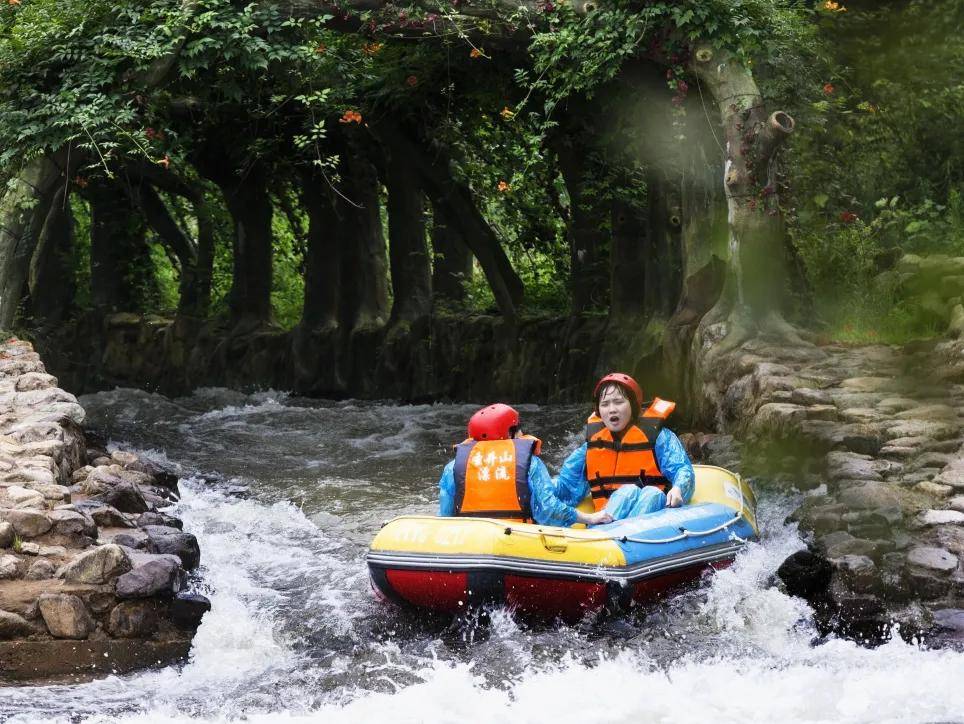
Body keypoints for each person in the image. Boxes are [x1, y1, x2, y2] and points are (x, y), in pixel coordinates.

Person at [438, 403, 612, 527]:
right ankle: (594, 444)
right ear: (511, 433)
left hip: (471, 540)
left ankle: (590, 447)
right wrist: (590, 518)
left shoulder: (452, 467)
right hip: (520, 538)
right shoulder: (530, 464)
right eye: (518, 428)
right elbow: (549, 511)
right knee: (560, 488)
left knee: (555, 486)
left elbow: (446, 517)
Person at [554, 372, 695, 520]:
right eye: (605, 404)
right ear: (599, 411)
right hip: (605, 518)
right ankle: (609, 533)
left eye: (618, 402)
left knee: (652, 494)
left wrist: (679, 487)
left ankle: (621, 534)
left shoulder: (659, 437)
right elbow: (567, 488)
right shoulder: (590, 447)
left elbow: (682, 469)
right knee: (629, 491)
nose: (612, 409)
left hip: (652, 517)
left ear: (633, 406)